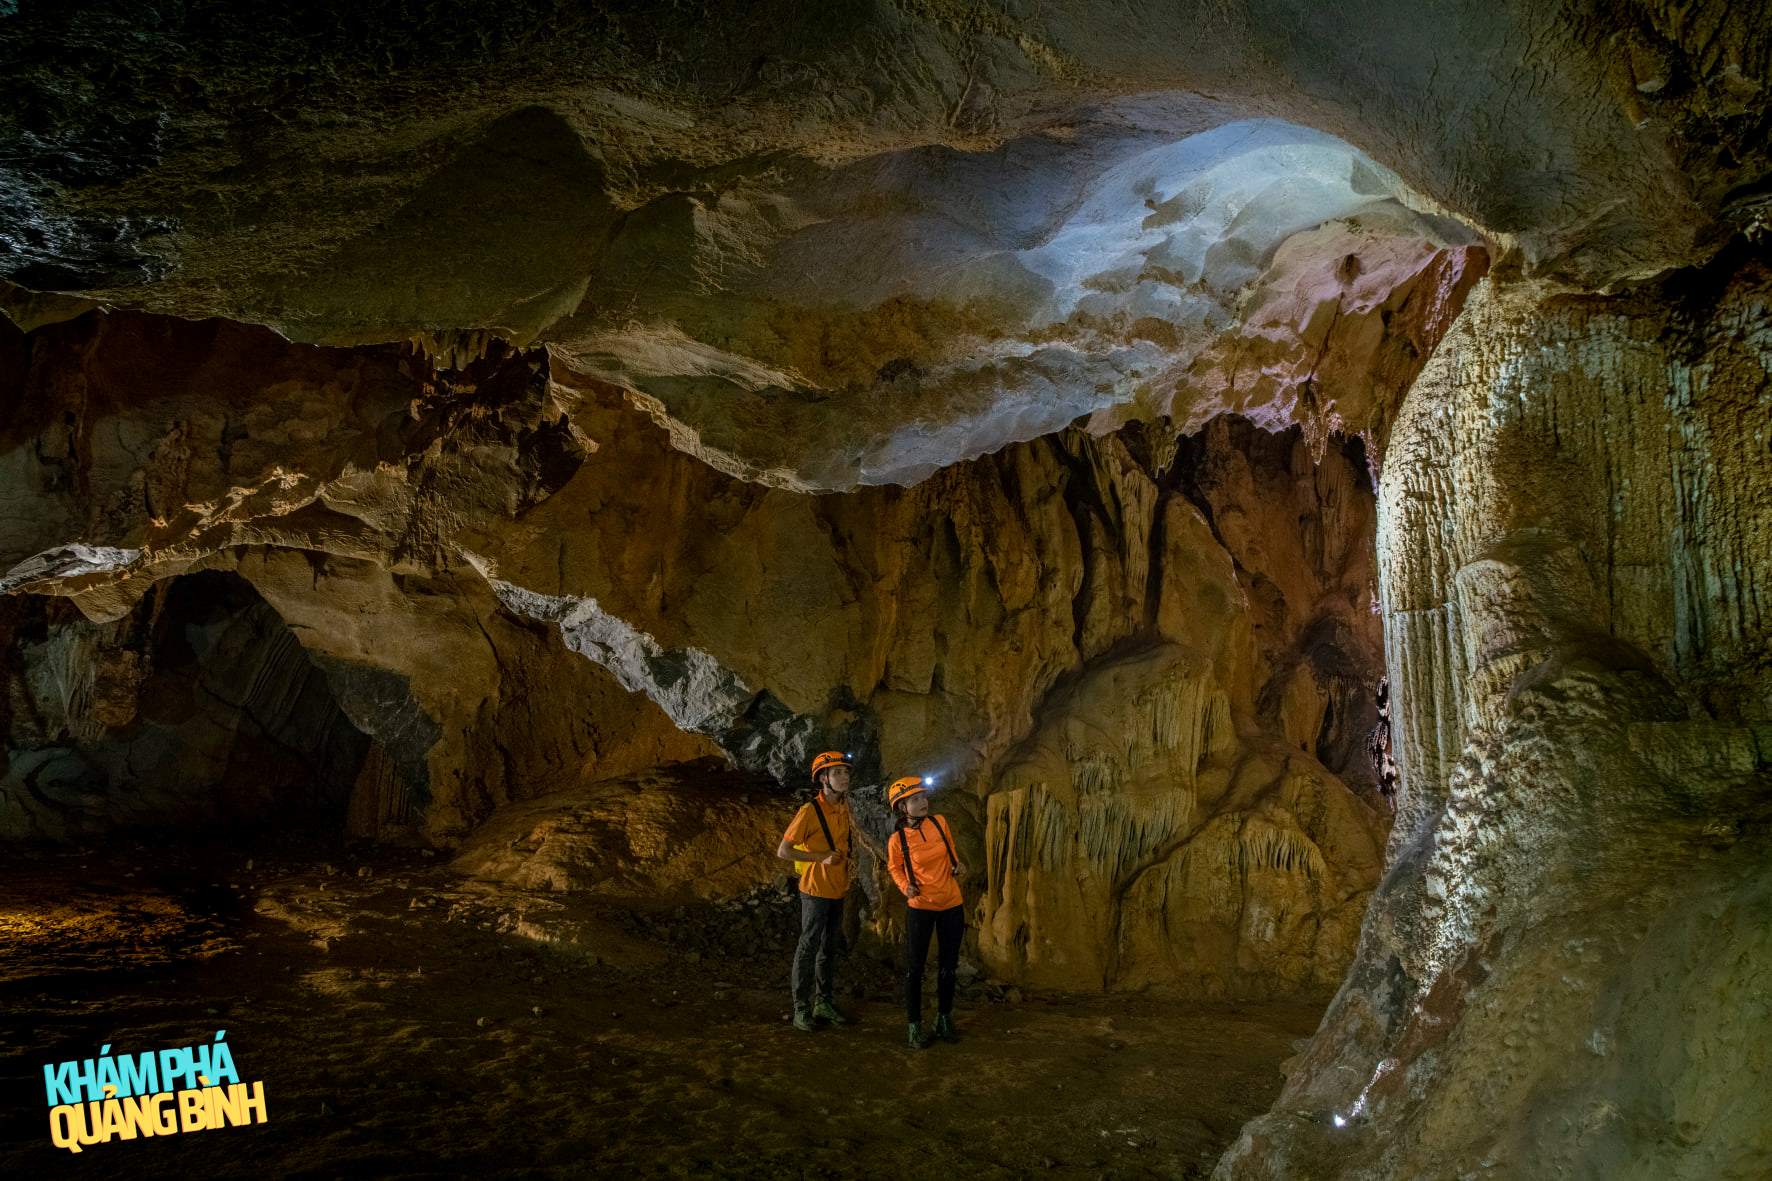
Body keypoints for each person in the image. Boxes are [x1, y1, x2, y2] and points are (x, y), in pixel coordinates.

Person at [884, 775, 967, 1050]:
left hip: (951, 904)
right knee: (915, 968)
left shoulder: (939, 822)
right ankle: (914, 1024)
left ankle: (943, 1018)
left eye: (923, 797)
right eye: (915, 799)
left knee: (948, 966)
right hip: (921, 907)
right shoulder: (897, 840)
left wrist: (957, 865)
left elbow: (950, 851)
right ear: (901, 807)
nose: (923, 803)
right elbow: (894, 868)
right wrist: (904, 886)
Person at [776, 750, 855, 1032]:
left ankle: (824, 1002)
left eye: (845, 772)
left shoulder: (847, 808)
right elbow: (784, 851)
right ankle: (801, 1007)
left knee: (828, 949)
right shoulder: (809, 811)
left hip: (837, 889)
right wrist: (820, 857)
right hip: (814, 889)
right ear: (823, 778)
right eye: (837, 773)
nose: (844, 777)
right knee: (808, 946)